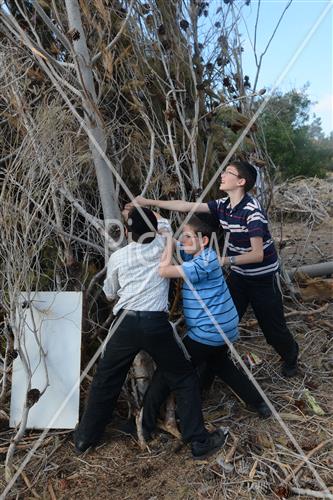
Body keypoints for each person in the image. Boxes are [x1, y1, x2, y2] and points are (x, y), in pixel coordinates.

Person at [74, 207, 226, 459]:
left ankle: (85, 438)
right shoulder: (163, 245)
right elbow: (164, 228)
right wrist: (154, 217)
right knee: (184, 377)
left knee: (106, 379)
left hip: (125, 323)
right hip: (156, 324)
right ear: (155, 229)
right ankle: (198, 441)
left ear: (125, 232)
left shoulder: (119, 258)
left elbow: (110, 293)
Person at [128, 160, 299, 377]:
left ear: (241, 181)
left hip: (262, 279)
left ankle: (291, 355)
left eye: (228, 172)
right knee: (222, 323)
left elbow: (258, 254)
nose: (222, 175)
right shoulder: (223, 205)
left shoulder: (252, 213)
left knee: (273, 329)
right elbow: (186, 205)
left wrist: (224, 260)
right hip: (239, 277)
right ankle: (213, 368)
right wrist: (149, 201)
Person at [142, 213, 271, 436]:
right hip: (223, 328)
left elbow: (163, 270)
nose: (184, 241)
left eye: (189, 237)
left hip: (209, 331)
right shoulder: (199, 253)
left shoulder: (204, 262)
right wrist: (159, 222)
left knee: (168, 371)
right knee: (221, 364)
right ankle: (259, 403)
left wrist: (168, 244)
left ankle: (147, 421)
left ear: (203, 241)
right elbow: (175, 243)